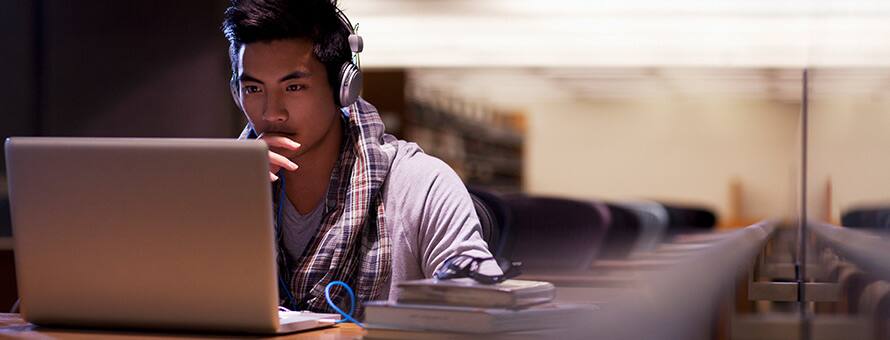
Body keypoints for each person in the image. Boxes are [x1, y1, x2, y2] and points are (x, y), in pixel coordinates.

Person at [222, 0, 499, 314]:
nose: (273, 113)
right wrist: (230, 204)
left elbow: (484, 311)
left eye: (294, 86)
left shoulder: (421, 186)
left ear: (344, 88)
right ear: (236, 92)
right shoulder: (221, 190)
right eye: (254, 89)